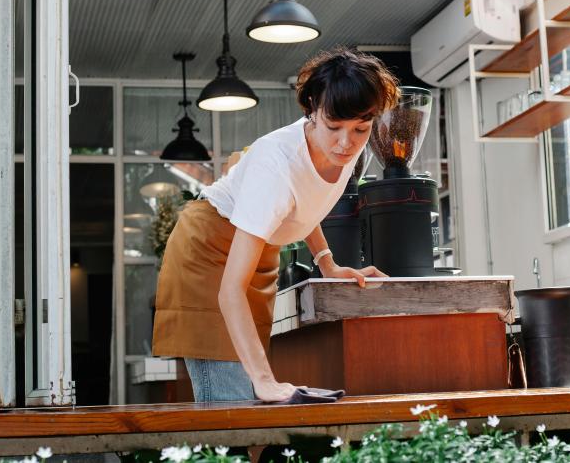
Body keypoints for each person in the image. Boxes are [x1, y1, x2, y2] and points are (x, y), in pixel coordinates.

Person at [152, 48, 400, 402]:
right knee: (233, 400)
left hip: (256, 248)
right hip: (207, 249)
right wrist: (265, 381)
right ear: (312, 109)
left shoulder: (343, 142)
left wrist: (327, 263)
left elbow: (303, 204)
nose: (346, 143)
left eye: (361, 128)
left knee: (251, 398)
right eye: (334, 127)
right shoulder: (276, 166)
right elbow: (229, 291)